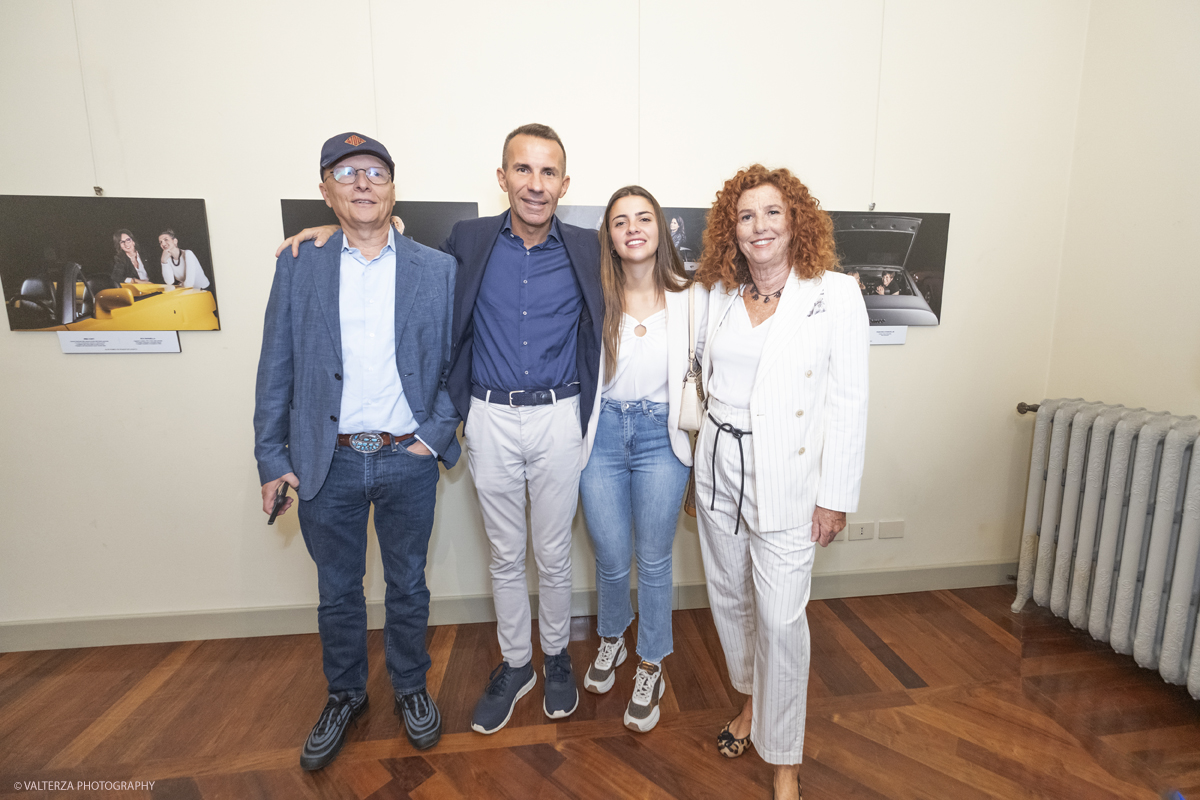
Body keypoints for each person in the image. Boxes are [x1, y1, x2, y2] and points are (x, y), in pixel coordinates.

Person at [253, 132, 460, 770]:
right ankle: (345, 694)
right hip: (327, 461)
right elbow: (275, 366)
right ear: (326, 190)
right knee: (338, 590)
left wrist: (435, 434)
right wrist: (271, 456)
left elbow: (459, 363)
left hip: (407, 459)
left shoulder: (437, 269)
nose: (363, 182)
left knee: (407, 585)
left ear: (393, 186)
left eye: (375, 171)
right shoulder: (298, 263)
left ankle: (410, 687)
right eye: (346, 173)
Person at [693, 164, 868, 800]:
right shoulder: (717, 295)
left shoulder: (835, 295)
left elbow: (849, 401)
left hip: (791, 482)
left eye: (772, 213)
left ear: (795, 221)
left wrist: (835, 497)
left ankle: (785, 758)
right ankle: (750, 705)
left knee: (782, 621)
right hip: (719, 473)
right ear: (730, 232)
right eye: (746, 216)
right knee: (732, 603)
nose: (759, 226)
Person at [440, 123, 602, 734]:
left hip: (561, 417)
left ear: (565, 182)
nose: (536, 185)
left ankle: (556, 655)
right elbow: (397, 258)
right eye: (523, 170)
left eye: (548, 172)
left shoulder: (589, 247)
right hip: (490, 417)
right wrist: (331, 229)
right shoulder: (468, 238)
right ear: (502, 176)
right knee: (507, 555)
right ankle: (517, 664)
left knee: (554, 554)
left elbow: (653, 275)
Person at [578, 186, 706, 733]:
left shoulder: (693, 296)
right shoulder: (593, 293)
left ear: (661, 229)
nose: (633, 227)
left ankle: (650, 661)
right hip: (600, 435)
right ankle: (612, 636)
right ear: (608, 235)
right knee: (610, 553)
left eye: (644, 218)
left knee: (653, 559)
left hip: (661, 436)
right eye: (620, 220)